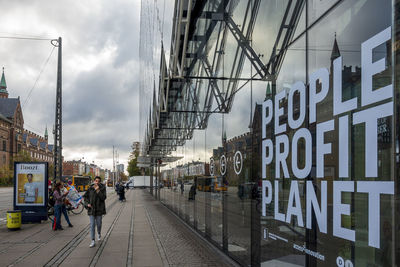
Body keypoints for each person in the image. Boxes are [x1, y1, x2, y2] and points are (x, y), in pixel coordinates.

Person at [83, 176, 106, 248]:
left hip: (99, 209)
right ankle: (92, 240)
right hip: (92, 209)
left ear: (100, 182)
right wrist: (87, 204)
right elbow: (85, 197)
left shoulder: (102, 188)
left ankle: (99, 233)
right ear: (94, 181)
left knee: (99, 224)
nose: (97, 182)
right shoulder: (90, 188)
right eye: (96, 181)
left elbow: (103, 198)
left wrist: (98, 191)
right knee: (92, 225)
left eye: (98, 181)